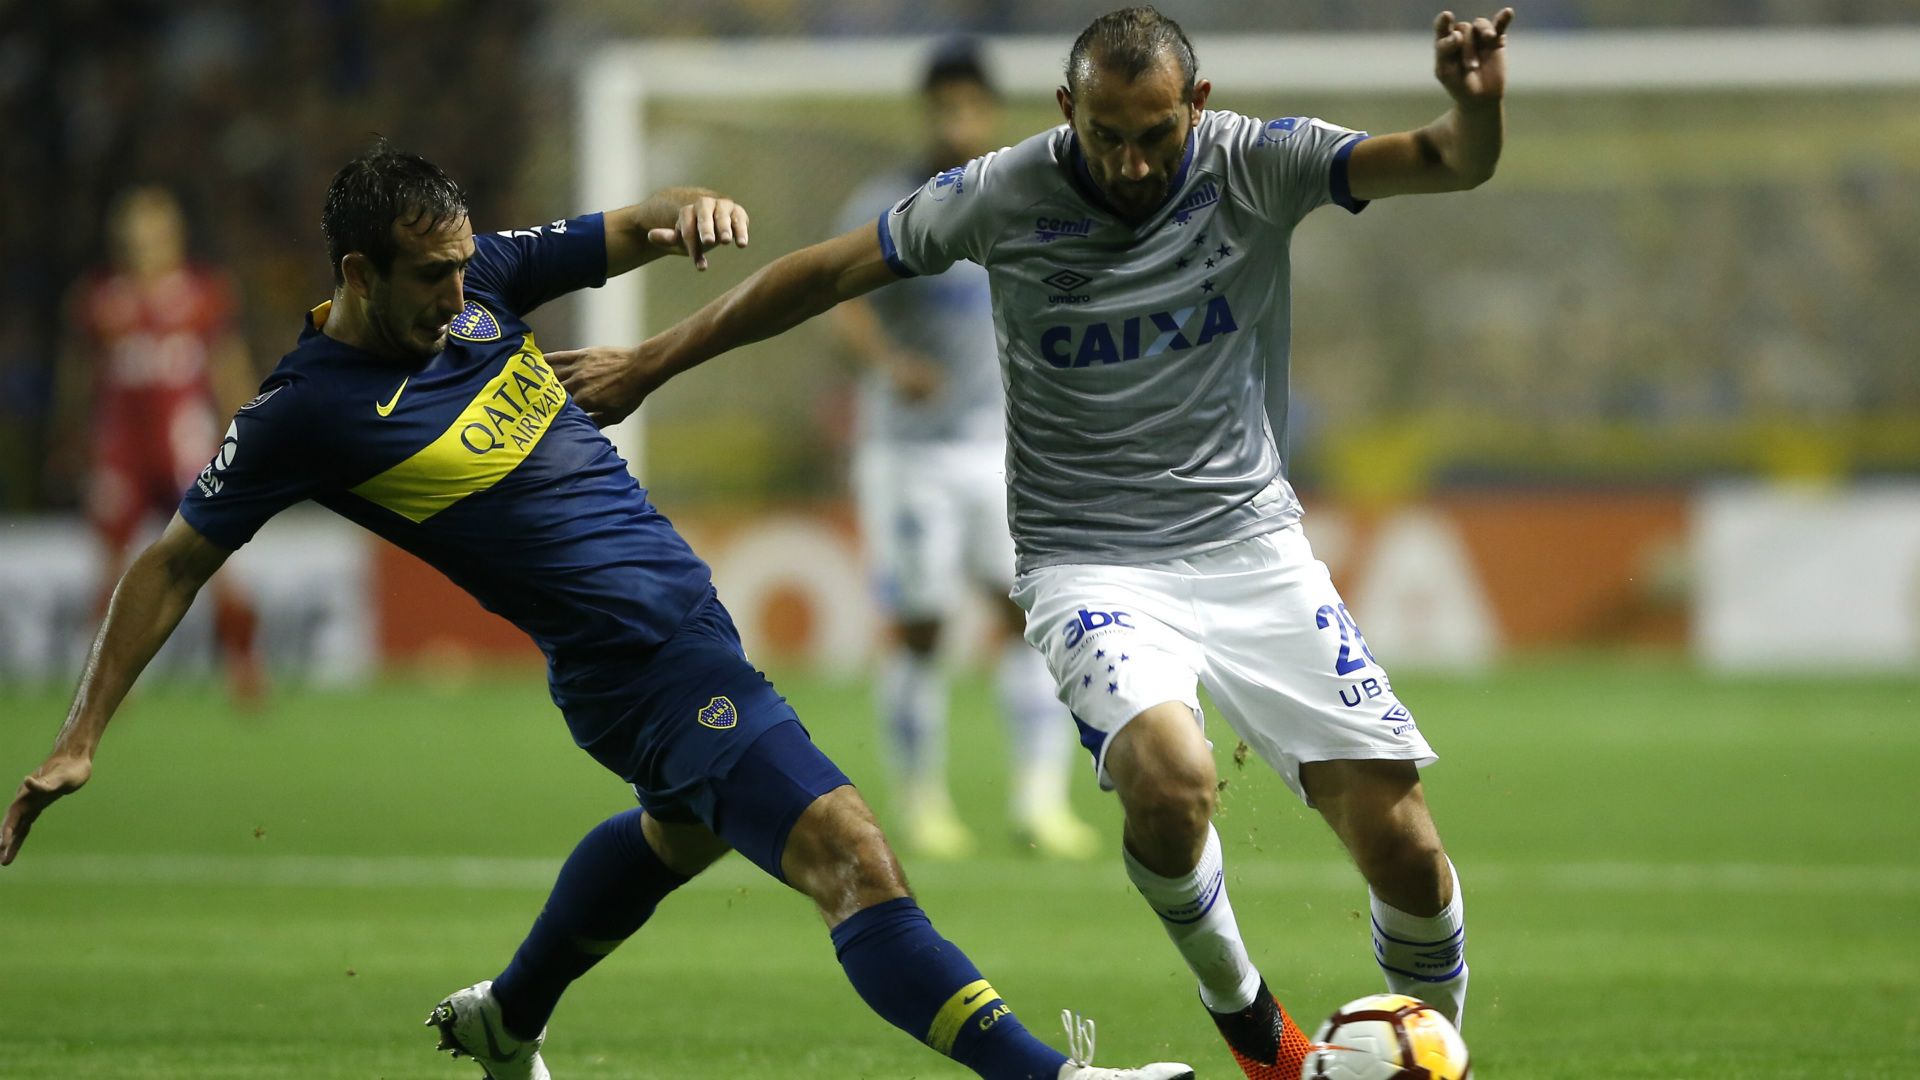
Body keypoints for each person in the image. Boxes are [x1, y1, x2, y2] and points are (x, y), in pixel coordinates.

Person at [0, 142, 1192, 1080]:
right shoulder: (302, 414)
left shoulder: (482, 289)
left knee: (678, 837)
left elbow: (630, 225)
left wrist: (692, 215)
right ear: (356, 275)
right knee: (856, 858)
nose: (461, 290)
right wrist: (80, 735)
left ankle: (508, 1018)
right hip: (638, 668)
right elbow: (168, 565)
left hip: (681, 630)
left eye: (466, 263)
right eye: (431, 276)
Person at [548, 7, 1513, 1078]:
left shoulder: (1256, 161)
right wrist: (653, 361)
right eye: (1108, 135)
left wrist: (1475, 106)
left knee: (1407, 851)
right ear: (1068, 111)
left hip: (1252, 549)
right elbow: (823, 275)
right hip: (1087, 560)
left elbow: (1444, 163)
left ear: (1196, 104)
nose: (1135, 163)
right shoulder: (1004, 191)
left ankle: (1436, 1055)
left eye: (1156, 134)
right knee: (1171, 777)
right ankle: (1256, 1029)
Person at [832, 40, 1097, 861]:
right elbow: (839, 300)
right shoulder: (889, 201)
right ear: (928, 113)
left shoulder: (1021, 198)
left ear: (988, 111)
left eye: (969, 105)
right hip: (911, 454)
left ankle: (1040, 801)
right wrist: (888, 365)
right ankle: (920, 801)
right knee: (923, 626)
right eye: (943, 106)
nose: (957, 119)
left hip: (1004, 448)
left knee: (1034, 619)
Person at [55, 186, 265, 703]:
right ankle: (104, 686)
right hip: (121, 452)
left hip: (184, 449)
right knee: (110, 570)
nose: (138, 248)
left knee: (213, 562)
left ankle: (244, 666)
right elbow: (78, 375)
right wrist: (69, 437)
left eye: (149, 237)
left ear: (173, 238)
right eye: (129, 238)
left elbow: (227, 367)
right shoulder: (98, 299)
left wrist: (251, 428)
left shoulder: (204, 293)